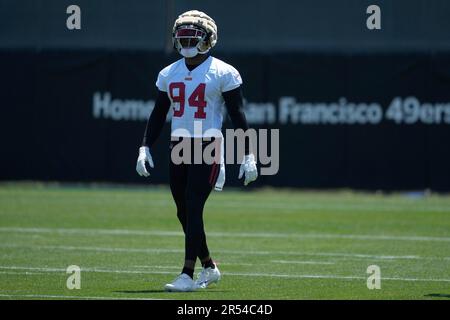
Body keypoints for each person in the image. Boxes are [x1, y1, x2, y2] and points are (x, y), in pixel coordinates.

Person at [136, 10, 258, 292]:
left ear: (208, 39)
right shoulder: (169, 73)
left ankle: (187, 275)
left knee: (192, 205)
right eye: (183, 36)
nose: (187, 41)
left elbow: (238, 115)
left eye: (193, 36)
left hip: (208, 146)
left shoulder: (223, 72)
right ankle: (210, 267)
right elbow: (158, 114)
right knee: (183, 212)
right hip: (179, 146)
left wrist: (250, 154)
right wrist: (144, 146)